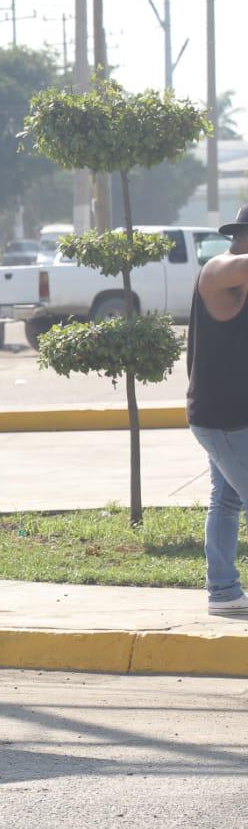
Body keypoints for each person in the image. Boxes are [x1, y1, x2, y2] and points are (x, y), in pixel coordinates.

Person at [188, 204, 248, 617]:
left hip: (227, 415)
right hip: (223, 418)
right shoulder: (217, 269)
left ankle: (223, 591)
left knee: (226, 500)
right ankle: (222, 591)